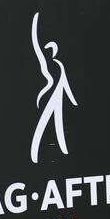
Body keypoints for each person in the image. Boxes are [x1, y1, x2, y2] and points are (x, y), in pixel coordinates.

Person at [30, 12, 78, 164]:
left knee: (55, 127)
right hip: (54, 95)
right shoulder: (54, 66)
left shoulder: (57, 65)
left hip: (57, 95)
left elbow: (64, 83)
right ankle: (39, 153)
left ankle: (56, 152)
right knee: (48, 126)